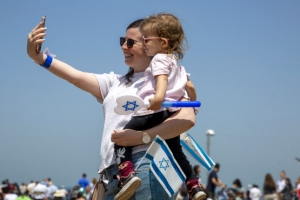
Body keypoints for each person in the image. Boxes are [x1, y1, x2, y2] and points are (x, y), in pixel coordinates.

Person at [26, 15, 196, 200]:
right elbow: (75, 76)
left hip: (145, 166)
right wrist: (39, 57)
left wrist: (141, 137)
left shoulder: (169, 85)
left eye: (131, 42)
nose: (124, 46)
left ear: (151, 45)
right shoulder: (116, 83)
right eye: (123, 41)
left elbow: (187, 120)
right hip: (112, 176)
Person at [113, 13, 203, 200]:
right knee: (176, 150)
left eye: (146, 40)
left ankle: (127, 175)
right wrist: (193, 107)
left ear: (162, 42)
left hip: (154, 110)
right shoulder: (177, 64)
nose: (144, 43)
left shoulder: (159, 59)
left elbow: (160, 80)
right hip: (171, 112)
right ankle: (193, 184)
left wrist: (157, 98)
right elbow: (191, 87)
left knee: (121, 138)